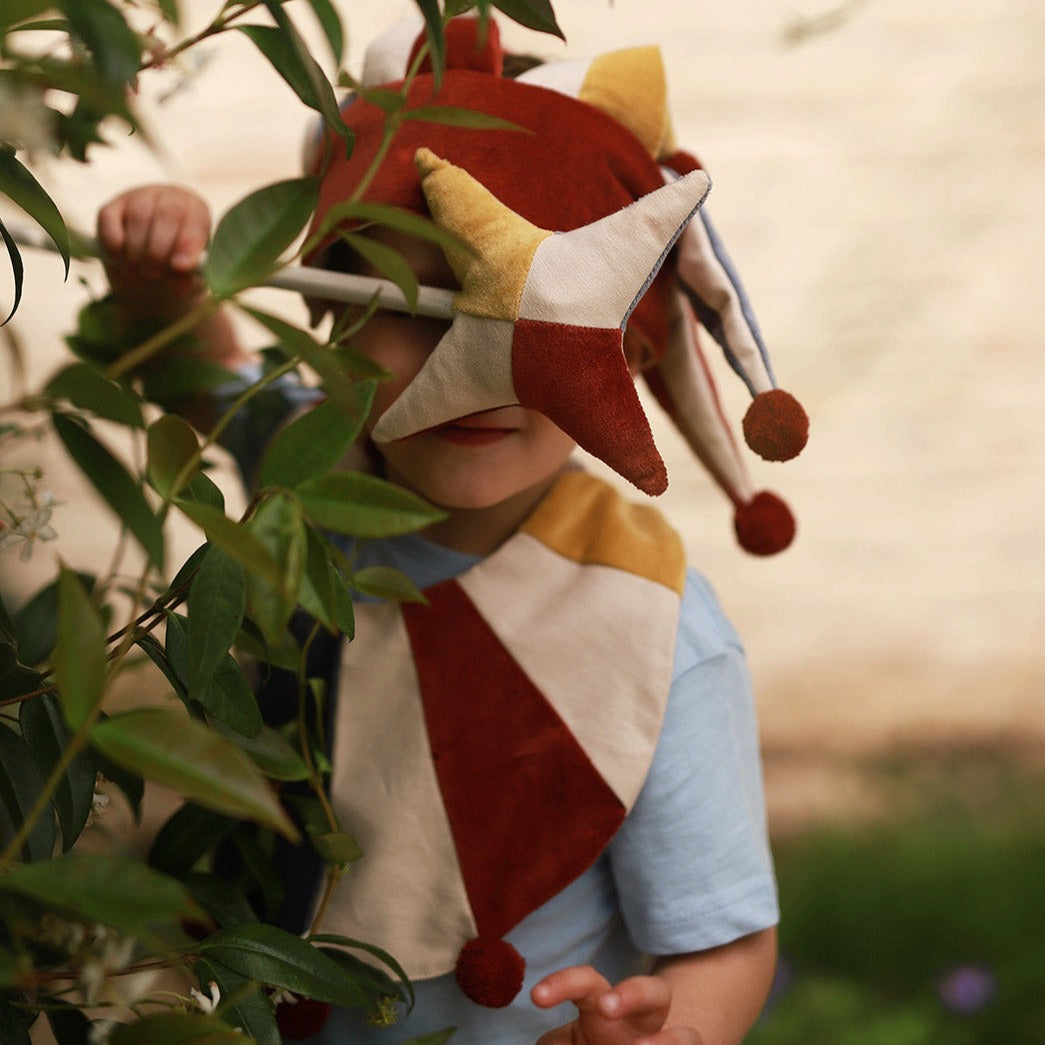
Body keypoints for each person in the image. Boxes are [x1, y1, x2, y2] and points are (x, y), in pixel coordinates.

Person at [97, 16, 807, 1045]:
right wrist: (153, 281)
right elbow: (192, 370)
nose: (470, 361)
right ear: (330, 314)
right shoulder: (313, 463)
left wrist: (674, 1029)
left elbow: (722, 940)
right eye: (419, 297)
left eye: (529, 317)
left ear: (624, 350)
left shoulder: (657, 633)